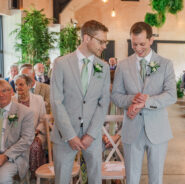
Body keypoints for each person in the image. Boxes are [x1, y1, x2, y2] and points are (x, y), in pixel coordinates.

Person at [111, 22, 176, 184]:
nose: (138, 48)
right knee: (132, 178)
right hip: (132, 129)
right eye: (134, 44)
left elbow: (171, 95)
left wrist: (147, 101)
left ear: (151, 40)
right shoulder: (123, 65)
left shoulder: (165, 64)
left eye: (142, 44)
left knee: (156, 178)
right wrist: (132, 101)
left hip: (158, 129)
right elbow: (116, 96)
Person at [50, 20, 110, 184]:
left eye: (106, 42)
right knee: (62, 179)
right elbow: (56, 102)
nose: (104, 46)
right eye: (101, 41)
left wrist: (91, 134)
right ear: (86, 38)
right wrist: (70, 135)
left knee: (95, 179)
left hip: (93, 135)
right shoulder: (61, 64)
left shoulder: (103, 67)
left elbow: (103, 103)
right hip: (65, 135)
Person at [0, 80, 35, 183]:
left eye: (4, 91)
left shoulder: (24, 112)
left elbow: (26, 139)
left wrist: (5, 156)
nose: (1, 95)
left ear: (11, 92)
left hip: (14, 157)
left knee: (2, 179)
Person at [12, 74, 46, 177]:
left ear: (29, 85)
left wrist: (36, 131)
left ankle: (34, 174)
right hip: (17, 135)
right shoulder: (12, 100)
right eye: (16, 85)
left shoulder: (38, 99)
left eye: (21, 84)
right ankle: (20, 174)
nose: (18, 87)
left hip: (36, 132)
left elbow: (43, 119)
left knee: (34, 146)